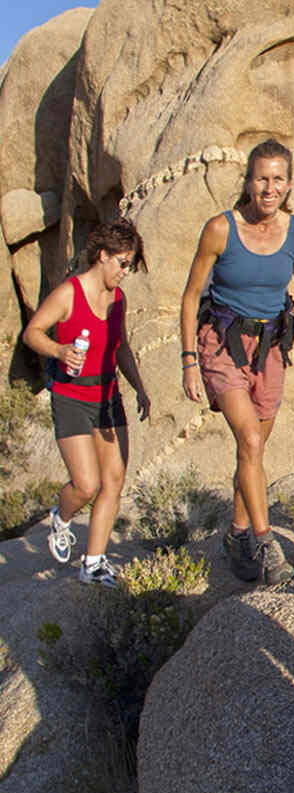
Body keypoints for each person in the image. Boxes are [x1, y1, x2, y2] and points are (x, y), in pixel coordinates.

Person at [179, 139, 294, 585]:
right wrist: (188, 360)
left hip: (271, 347)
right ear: (247, 180)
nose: (269, 187)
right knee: (250, 440)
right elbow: (189, 298)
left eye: (278, 179)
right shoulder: (220, 230)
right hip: (222, 342)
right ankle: (265, 544)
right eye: (261, 177)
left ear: (289, 184)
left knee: (252, 449)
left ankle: (237, 534)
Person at [22, 218, 151, 587]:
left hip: (108, 395)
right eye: (123, 263)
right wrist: (60, 350)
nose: (126, 272)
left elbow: (121, 346)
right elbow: (31, 333)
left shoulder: (118, 299)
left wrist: (139, 388)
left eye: (131, 265)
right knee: (86, 485)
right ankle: (61, 518)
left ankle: (93, 563)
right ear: (103, 255)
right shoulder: (69, 293)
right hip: (71, 397)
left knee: (114, 480)